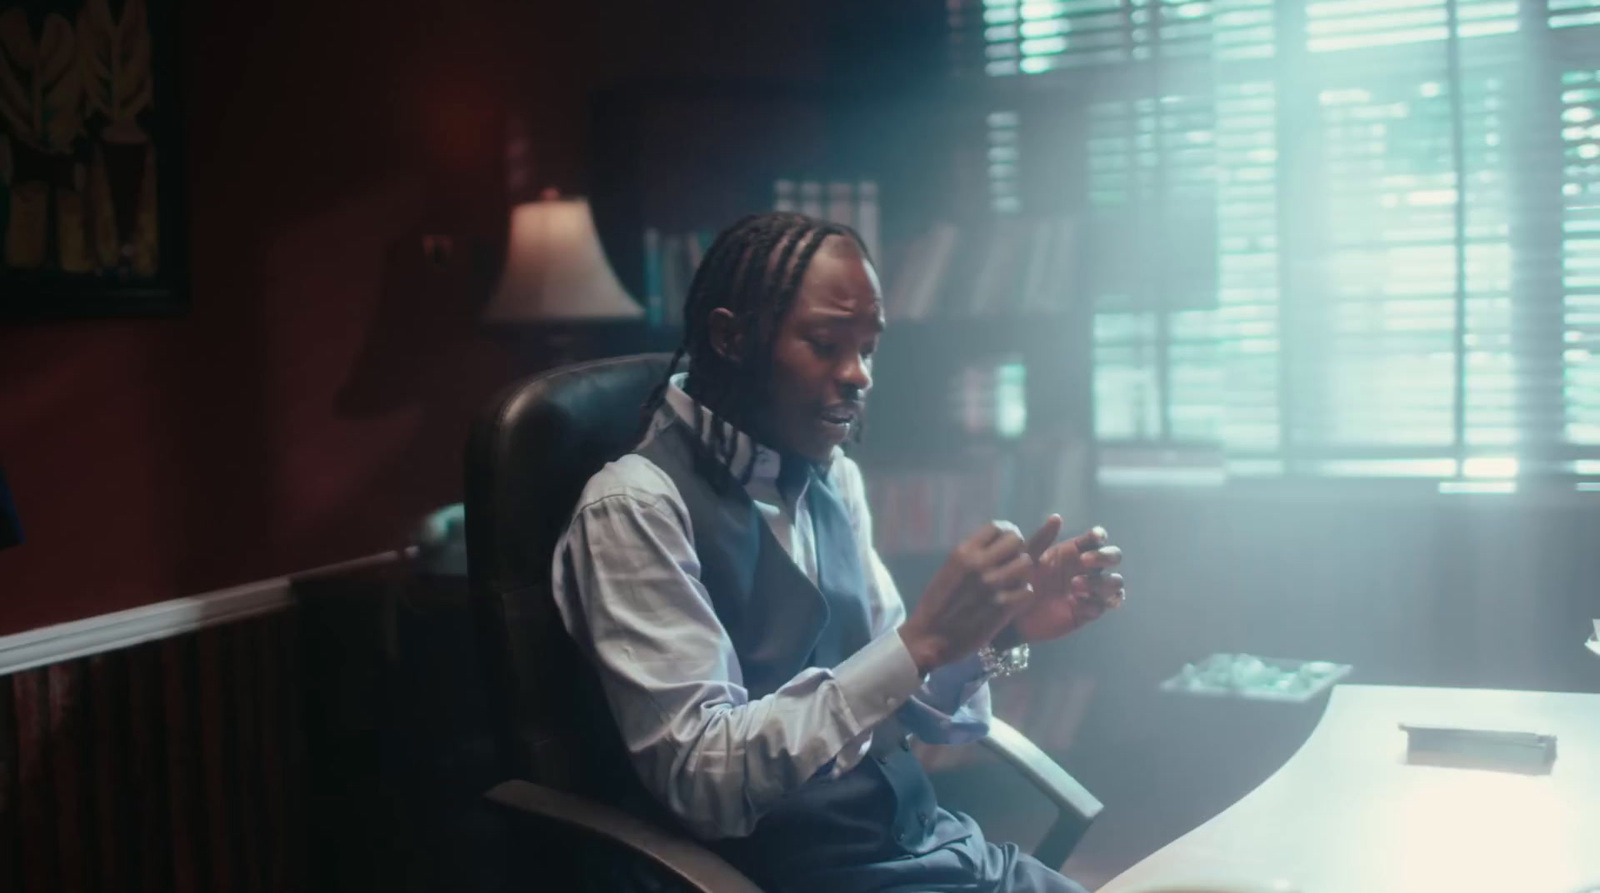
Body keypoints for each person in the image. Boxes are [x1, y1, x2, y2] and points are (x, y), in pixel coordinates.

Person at [552, 213, 1125, 892]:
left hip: (927, 848)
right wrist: (919, 640)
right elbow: (702, 778)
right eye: (826, 344)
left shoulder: (833, 477)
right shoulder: (634, 508)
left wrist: (1001, 630)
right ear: (731, 338)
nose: (859, 375)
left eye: (868, 348)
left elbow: (904, 698)